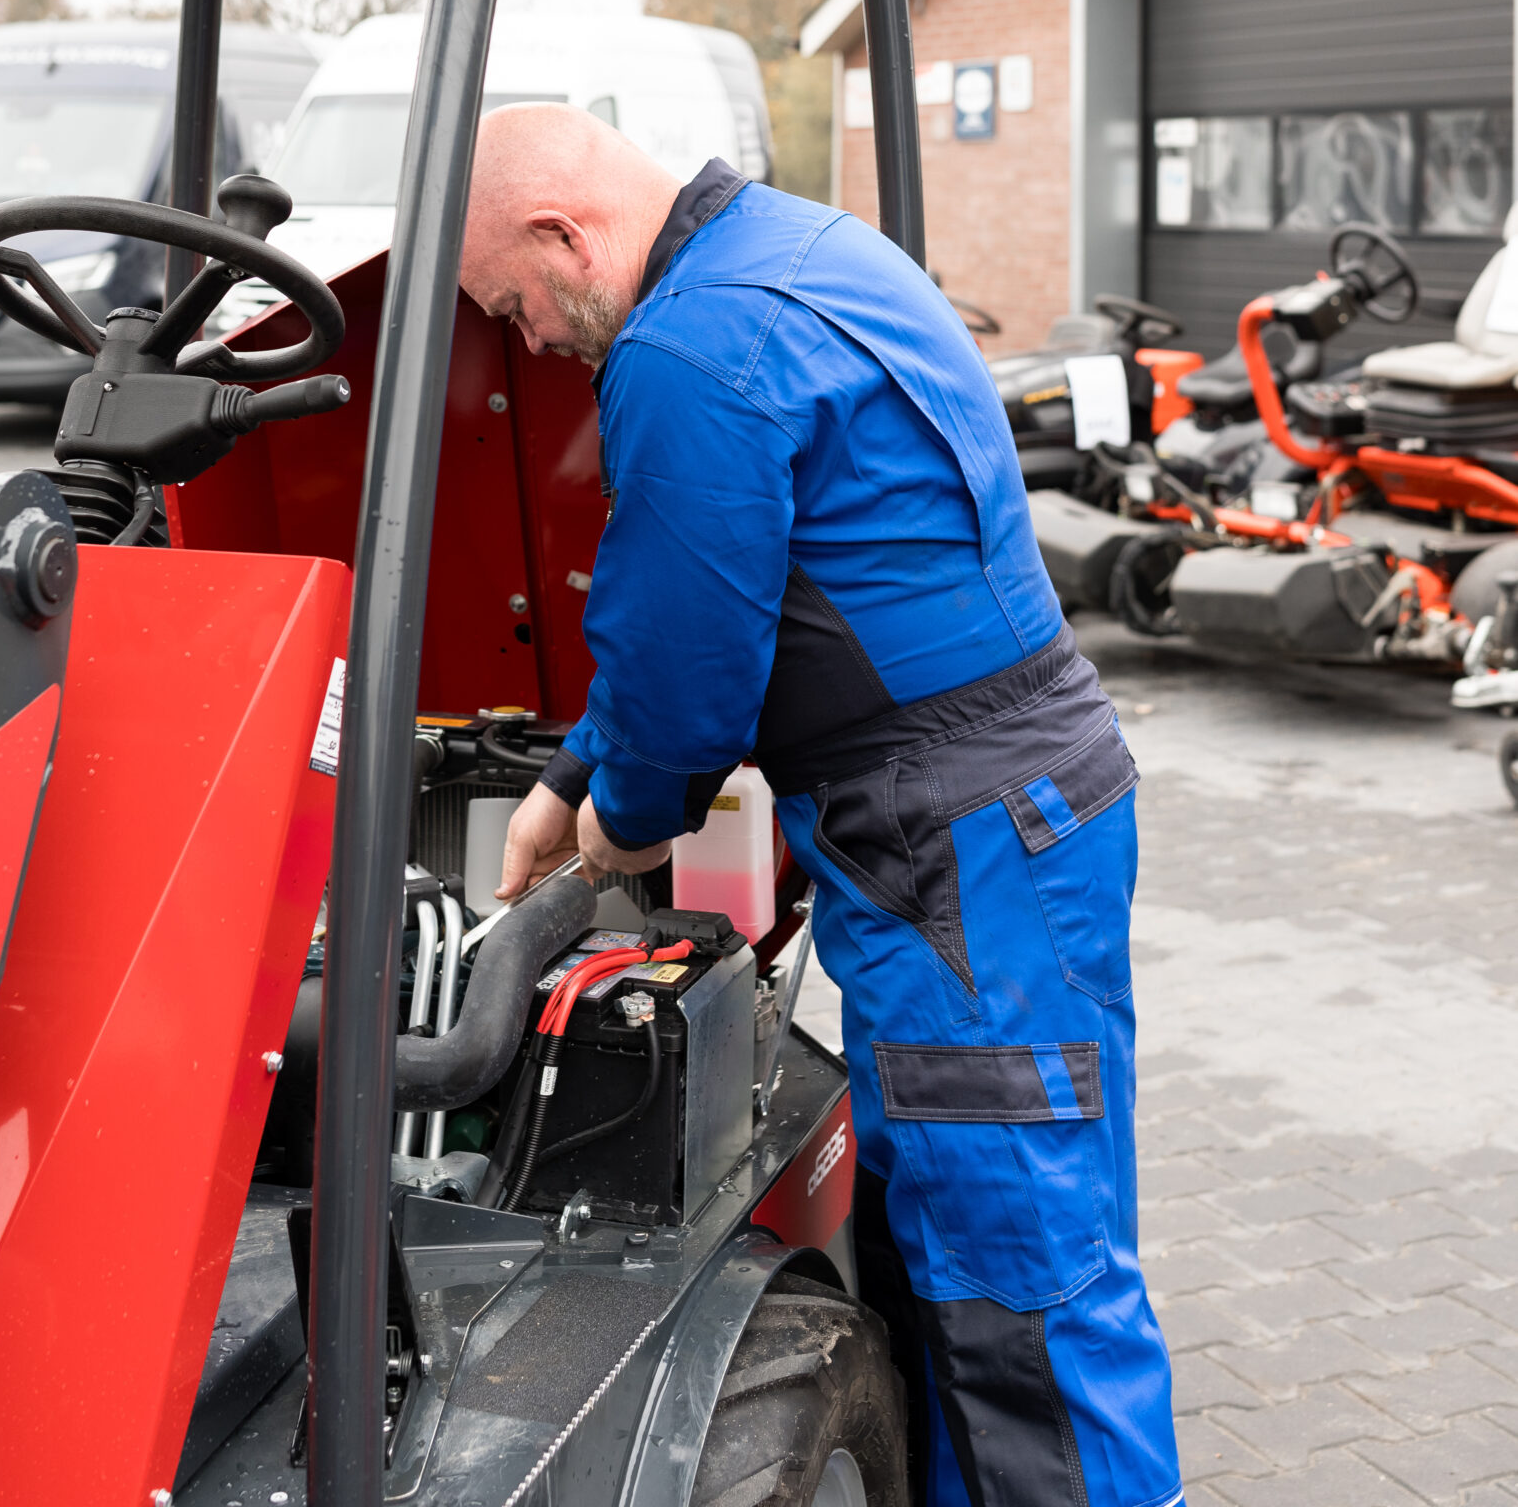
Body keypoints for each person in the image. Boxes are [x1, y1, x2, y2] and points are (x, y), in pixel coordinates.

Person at [461, 104, 1181, 1507]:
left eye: (511, 303)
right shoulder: (791, 247)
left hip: (959, 840)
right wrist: (566, 772)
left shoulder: (687, 347)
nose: (527, 341)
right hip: (1000, 815)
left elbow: (689, 679)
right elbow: (700, 585)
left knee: (1024, 1289)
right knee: (968, 1251)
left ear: (564, 235)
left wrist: (622, 819)